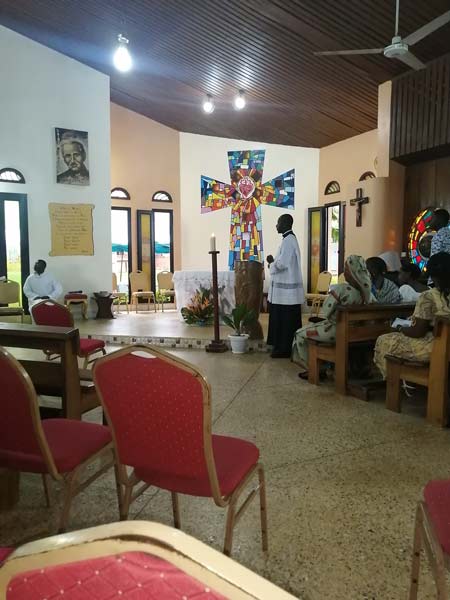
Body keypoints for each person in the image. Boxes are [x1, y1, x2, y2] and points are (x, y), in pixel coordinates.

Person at [292, 255, 372, 377]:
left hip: (336, 332)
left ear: (352, 272)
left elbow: (326, 311)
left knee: (300, 334)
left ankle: (314, 369)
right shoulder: (368, 294)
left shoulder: (342, 289)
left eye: (346, 268)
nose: (344, 272)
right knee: (314, 327)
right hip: (358, 333)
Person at [374, 252, 450, 378]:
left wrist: (400, 329)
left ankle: (391, 379)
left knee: (384, 339)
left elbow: (418, 331)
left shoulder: (429, 296)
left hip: (437, 348)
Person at [266, 214, 304, 358]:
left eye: (278, 222)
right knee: (284, 320)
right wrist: (275, 262)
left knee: (285, 321)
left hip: (286, 295)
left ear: (286, 224)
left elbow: (282, 264)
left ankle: (284, 349)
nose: (276, 226)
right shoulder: (288, 239)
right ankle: (282, 347)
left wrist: (271, 263)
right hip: (285, 295)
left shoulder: (288, 241)